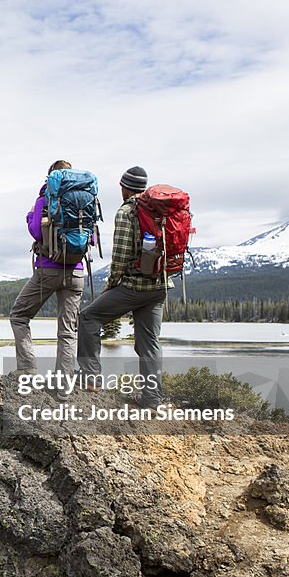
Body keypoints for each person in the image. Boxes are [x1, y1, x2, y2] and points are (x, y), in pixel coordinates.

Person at [77, 166, 171, 408]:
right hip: (159, 286)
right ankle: (152, 399)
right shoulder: (160, 209)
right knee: (149, 343)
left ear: (124, 187)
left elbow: (120, 255)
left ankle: (90, 380)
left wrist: (111, 286)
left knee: (88, 317)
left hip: (133, 287)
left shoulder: (128, 211)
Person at [9, 160, 85, 378]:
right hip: (76, 271)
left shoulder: (45, 199)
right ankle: (65, 382)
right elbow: (91, 239)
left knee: (19, 316)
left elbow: (37, 232)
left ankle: (27, 368)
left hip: (48, 269)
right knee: (68, 331)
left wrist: (30, 217)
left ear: (51, 177)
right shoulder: (83, 201)